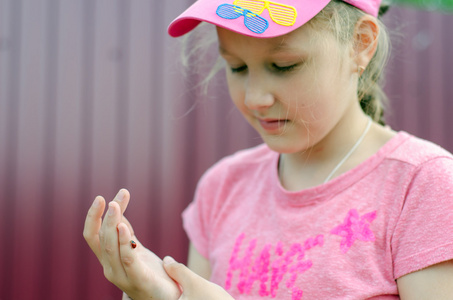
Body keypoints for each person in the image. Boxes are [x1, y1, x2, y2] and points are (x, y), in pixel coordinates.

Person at [83, 0, 453, 298]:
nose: (255, 97)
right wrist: (162, 294)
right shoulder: (223, 187)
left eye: (283, 65)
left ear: (361, 44)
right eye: (238, 67)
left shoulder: (423, 186)